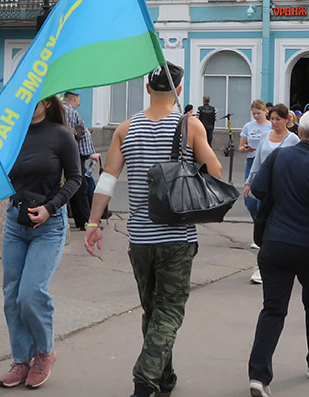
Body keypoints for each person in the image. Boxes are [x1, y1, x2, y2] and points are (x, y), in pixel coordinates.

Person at [83, 62, 222, 397]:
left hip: (141, 237)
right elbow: (215, 171)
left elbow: (107, 180)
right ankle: (144, 382)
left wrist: (93, 222)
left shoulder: (126, 128)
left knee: (153, 311)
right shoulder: (189, 126)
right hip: (178, 236)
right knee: (169, 311)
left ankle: (165, 378)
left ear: (148, 88)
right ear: (178, 90)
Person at [0, 96, 81, 390]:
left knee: (30, 293)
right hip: (15, 223)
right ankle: (21, 360)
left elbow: (75, 179)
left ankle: (44, 352)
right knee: (12, 296)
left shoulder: (61, 135)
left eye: (36, 100)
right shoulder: (12, 136)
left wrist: (51, 207)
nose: (29, 104)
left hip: (48, 226)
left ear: (48, 103)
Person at [247, 109, 309, 396]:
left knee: (273, 310)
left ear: (300, 130)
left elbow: (258, 190)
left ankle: (258, 376)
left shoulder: (278, 156)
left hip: (274, 244)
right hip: (308, 248)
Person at [246, 104, 301, 285]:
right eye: (272, 118)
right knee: (264, 226)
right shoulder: (265, 137)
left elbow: (297, 165)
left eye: (278, 119)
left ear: (287, 120)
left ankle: (284, 263)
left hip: (285, 191)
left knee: (282, 228)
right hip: (265, 190)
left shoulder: (293, 139)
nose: (274, 122)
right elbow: (258, 162)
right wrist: (249, 182)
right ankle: (263, 265)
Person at [61, 91, 100, 231]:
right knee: (80, 187)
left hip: (77, 153)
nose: (79, 102)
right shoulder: (68, 110)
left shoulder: (66, 109)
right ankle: (84, 221)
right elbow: (70, 133)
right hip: (76, 154)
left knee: (78, 186)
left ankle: (81, 219)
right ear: (75, 98)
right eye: (78, 99)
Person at [239, 100, 272, 225]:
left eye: (258, 113)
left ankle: (261, 227)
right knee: (249, 198)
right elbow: (241, 148)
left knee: (261, 198)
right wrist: (246, 148)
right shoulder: (249, 126)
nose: (256, 116)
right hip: (252, 161)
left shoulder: (270, 126)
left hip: (266, 162)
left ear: (265, 111)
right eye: (254, 114)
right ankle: (257, 222)